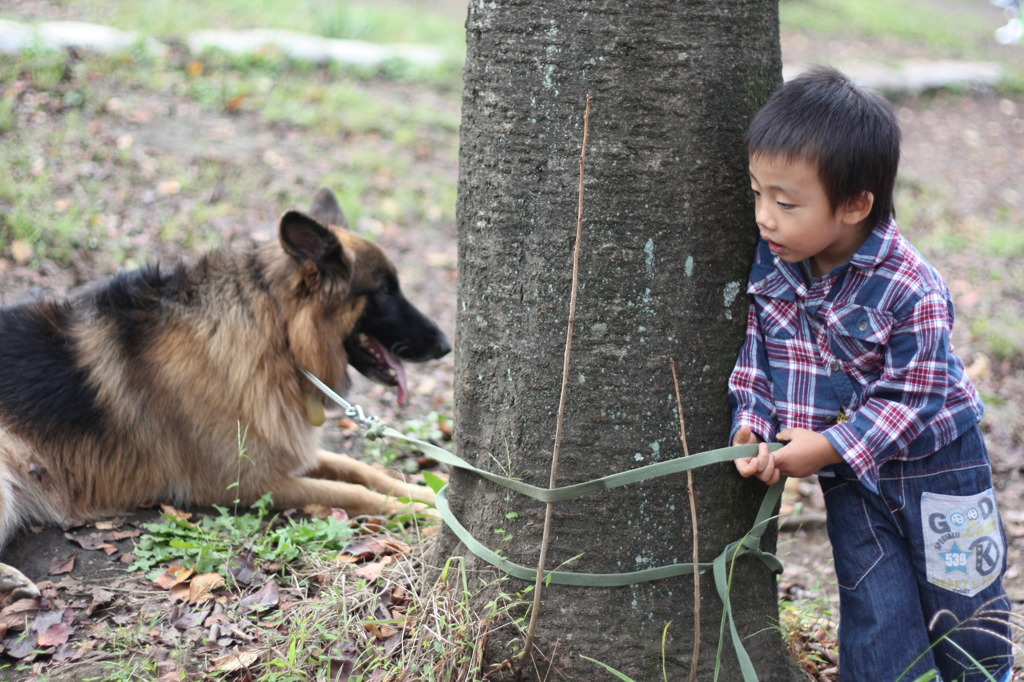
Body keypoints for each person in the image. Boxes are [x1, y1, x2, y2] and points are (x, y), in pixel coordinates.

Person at [728, 66, 1014, 681]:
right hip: (850, 480)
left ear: (856, 203)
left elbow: (917, 394)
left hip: (941, 470)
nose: (764, 218)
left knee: (963, 603)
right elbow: (756, 355)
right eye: (757, 193)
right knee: (876, 610)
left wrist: (829, 445)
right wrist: (750, 423)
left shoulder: (910, 286)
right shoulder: (774, 268)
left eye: (785, 202)